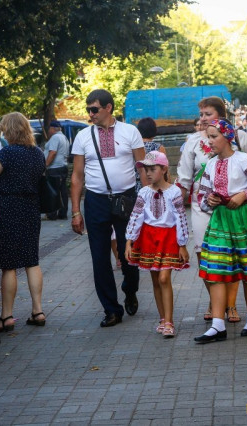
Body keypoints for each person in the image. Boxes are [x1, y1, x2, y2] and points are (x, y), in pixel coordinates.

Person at [194, 119, 247, 343]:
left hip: (244, 219)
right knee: (217, 270)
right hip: (220, 220)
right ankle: (217, 325)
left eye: (214, 137)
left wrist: (244, 195)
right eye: (208, 137)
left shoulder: (244, 159)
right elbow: (201, 196)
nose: (210, 141)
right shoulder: (211, 164)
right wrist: (209, 200)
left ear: (228, 137)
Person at [70, 89, 146, 327]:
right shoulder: (83, 136)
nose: (90, 114)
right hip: (96, 201)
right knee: (99, 256)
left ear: (108, 107)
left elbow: (143, 168)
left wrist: (148, 200)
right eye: (88, 110)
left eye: (94, 109)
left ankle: (130, 289)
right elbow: (77, 176)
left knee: (129, 252)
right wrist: (75, 211)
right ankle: (111, 309)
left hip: (126, 199)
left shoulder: (130, 131)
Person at [176, 97, 242, 324]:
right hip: (200, 206)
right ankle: (216, 301)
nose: (203, 119)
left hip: (232, 207)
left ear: (221, 116)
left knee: (231, 255)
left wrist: (243, 195)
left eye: (208, 114)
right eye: (201, 114)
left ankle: (230, 304)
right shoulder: (193, 141)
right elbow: (184, 178)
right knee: (204, 255)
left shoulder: (239, 137)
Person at [0, 112, 47, 331]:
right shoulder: (37, 153)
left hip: (9, 208)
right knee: (32, 260)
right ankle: (38, 311)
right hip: (31, 208)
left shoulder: (8, 153)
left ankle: (7, 316)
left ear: (10, 130)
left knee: (9, 265)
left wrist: (1, 179)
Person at [125, 151, 190, 338]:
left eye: (152, 169)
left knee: (163, 278)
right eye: (146, 170)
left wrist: (182, 243)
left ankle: (169, 321)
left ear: (164, 169)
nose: (148, 173)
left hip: (168, 237)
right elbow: (136, 216)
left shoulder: (174, 191)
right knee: (155, 279)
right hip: (148, 238)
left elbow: (180, 218)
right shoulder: (144, 192)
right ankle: (162, 318)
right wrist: (129, 241)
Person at [44, 120, 70, 220]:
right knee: (62, 191)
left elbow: (53, 153)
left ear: (52, 128)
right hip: (62, 167)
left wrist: (45, 165)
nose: (48, 131)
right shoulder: (64, 137)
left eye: (49, 128)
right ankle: (62, 213)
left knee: (53, 191)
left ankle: (52, 214)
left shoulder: (55, 137)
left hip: (54, 168)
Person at [135, 117, 166, 193]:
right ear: (154, 130)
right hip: (155, 186)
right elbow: (164, 170)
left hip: (135, 187)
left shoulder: (134, 148)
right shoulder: (159, 148)